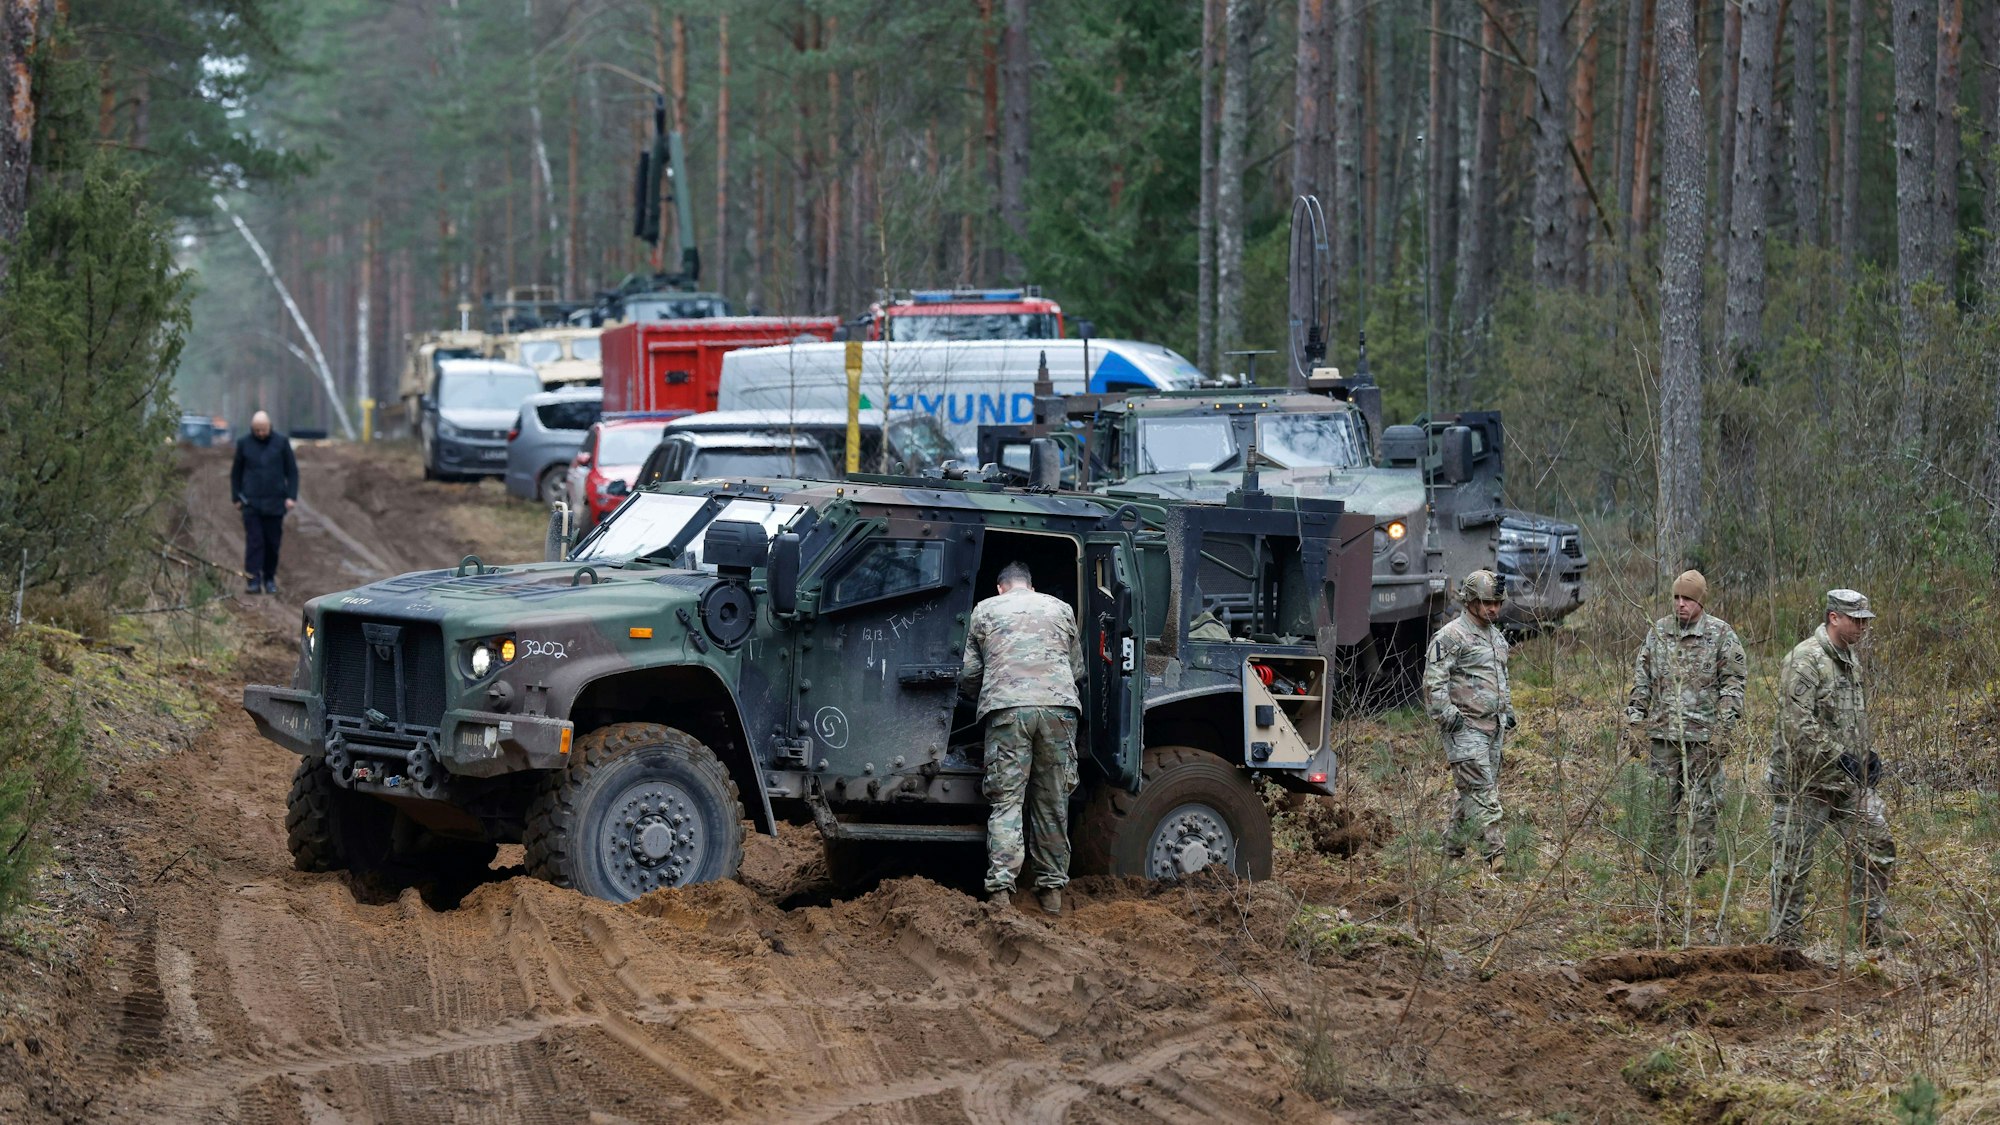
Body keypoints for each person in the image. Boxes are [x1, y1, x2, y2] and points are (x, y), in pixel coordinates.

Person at [1767, 589, 1895, 947]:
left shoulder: (1849, 658)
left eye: (1865, 621)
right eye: (1856, 620)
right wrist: (1841, 756)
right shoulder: (1805, 659)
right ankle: (1784, 946)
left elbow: (1849, 718)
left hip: (1844, 783)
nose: (1862, 627)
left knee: (1878, 844)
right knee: (1792, 867)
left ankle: (1867, 936)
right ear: (1834, 618)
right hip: (1803, 782)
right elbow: (1797, 726)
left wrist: (1866, 755)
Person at [958, 561, 1085, 915]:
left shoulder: (985, 610)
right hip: (1059, 710)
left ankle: (1001, 889)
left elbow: (969, 672)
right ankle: (1051, 891)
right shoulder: (1061, 608)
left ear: (1000, 587)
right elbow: (1076, 669)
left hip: (1008, 711)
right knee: (1053, 801)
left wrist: (987, 695)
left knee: (1007, 801)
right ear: (1031, 586)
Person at [1625, 569, 1747, 877]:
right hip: (1663, 738)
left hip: (1703, 741)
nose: (1680, 604)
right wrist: (1636, 721)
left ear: (1701, 601)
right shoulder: (1659, 632)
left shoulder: (1721, 635)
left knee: (1704, 808)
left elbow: (1733, 686)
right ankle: (1657, 873)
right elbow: (1642, 680)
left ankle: (1700, 873)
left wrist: (1723, 730)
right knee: (1659, 807)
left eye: (1688, 599)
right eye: (1676, 597)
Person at [1422, 569, 1516, 869]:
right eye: (1487, 602)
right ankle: (1496, 855)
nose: (1494, 609)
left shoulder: (1496, 637)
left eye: (1497, 603)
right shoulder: (1450, 636)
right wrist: (1449, 718)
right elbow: (1433, 681)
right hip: (1464, 727)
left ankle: (1451, 855)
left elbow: (1501, 677)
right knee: (1481, 791)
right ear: (1471, 601)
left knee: (1472, 792)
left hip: (1493, 727)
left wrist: (1507, 711)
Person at [230, 410, 298, 595]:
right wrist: (236, 497)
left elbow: (292, 472)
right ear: (252, 428)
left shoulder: (281, 443)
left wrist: (291, 496)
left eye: (263, 430)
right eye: (257, 430)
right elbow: (236, 473)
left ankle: (269, 579)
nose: (260, 433)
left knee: (272, 544)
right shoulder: (244, 444)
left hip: (275, 504)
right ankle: (253, 580)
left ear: (269, 427)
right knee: (254, 543)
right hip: (251, 503)